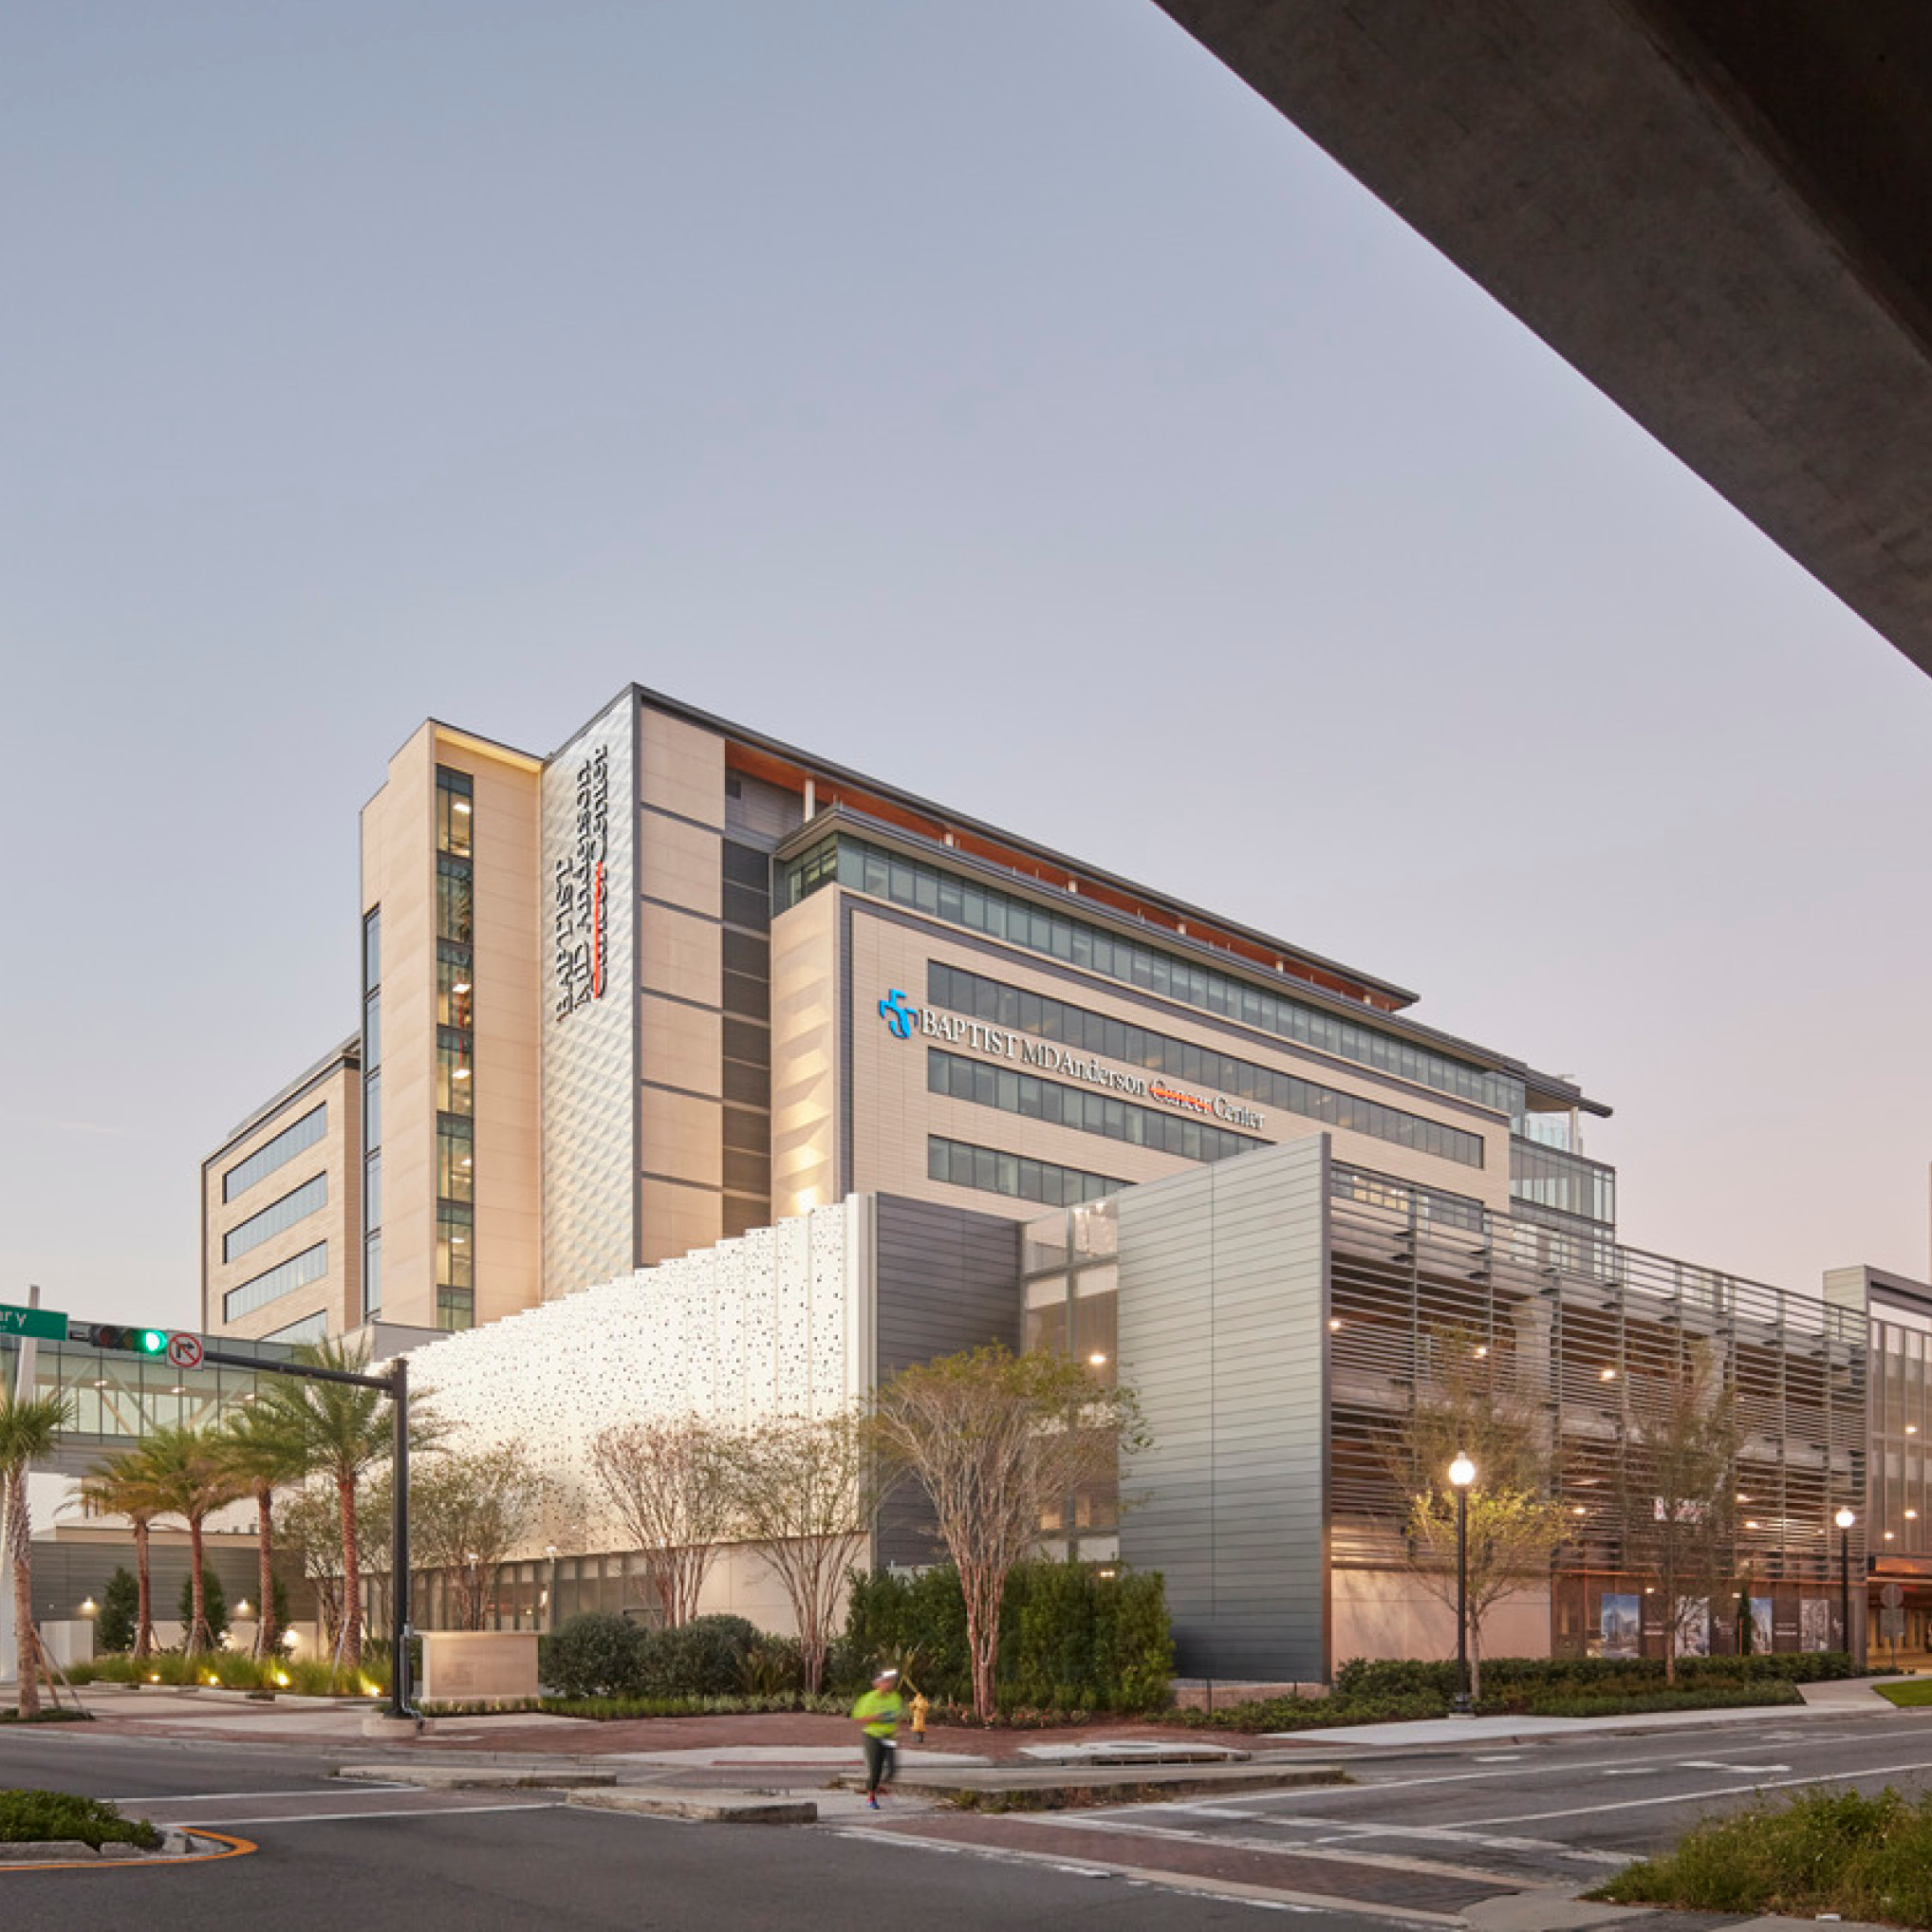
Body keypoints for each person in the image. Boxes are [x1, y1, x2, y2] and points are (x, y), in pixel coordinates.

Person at [852, 1667, 903, 1808]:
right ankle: (871, 1797)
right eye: (886, 1681)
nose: (889, 1684)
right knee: (875, 1768)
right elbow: (857, 1718)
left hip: (889, 1737)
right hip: (872, 1736)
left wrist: (895, 1725)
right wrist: (875, 1717)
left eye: (891, 1681)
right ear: (877, 1683)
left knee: (892, 1768)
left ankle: (881, 1785)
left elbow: (897, 1715)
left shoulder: (895, 1698)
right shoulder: (868, 1699)